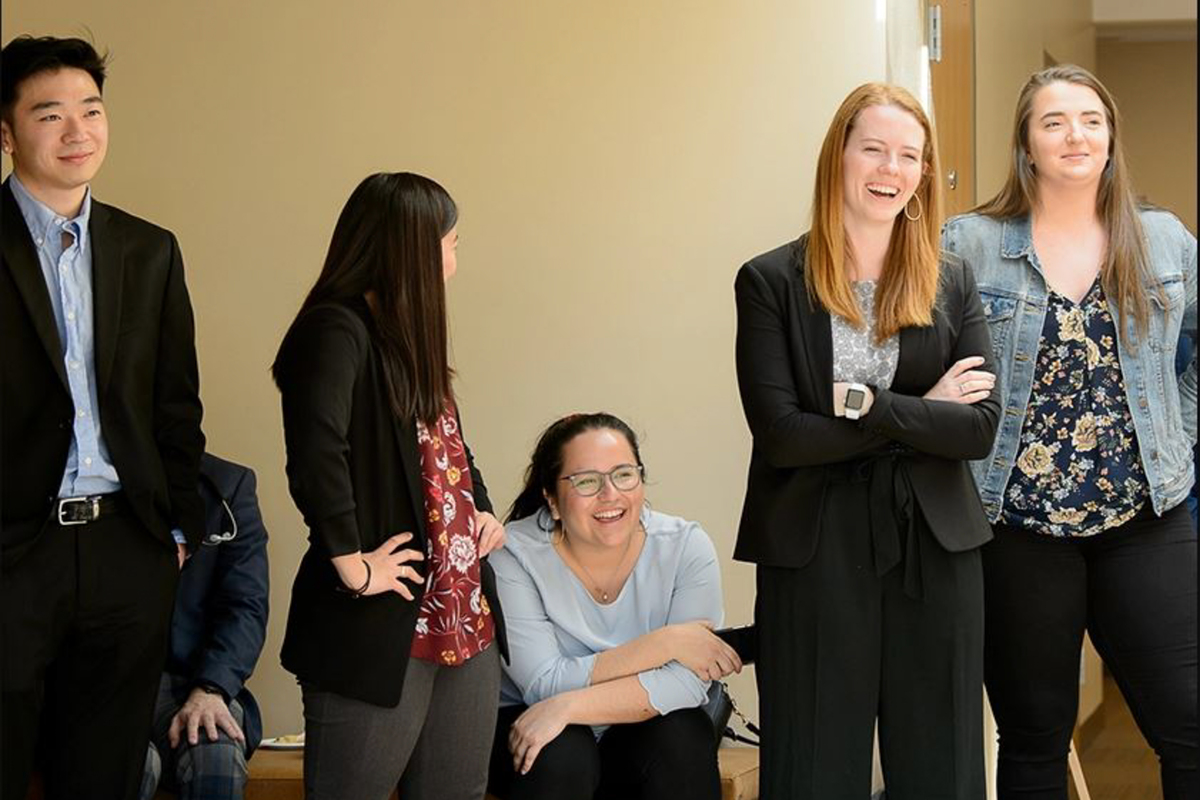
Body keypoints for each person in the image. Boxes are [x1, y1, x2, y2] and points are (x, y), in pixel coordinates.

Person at [733, 83, 1000, 800]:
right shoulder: (769, 282)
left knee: (941, 764)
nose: (891, 168)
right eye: (874, 148)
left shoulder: (953, 281)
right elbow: (784, 436)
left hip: (934, 545)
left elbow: (976, 427)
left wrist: (865, 409)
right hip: (812, 546)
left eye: (909, 155)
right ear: (838, 158)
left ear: (922, 173)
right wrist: (917, 412)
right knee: (814, 765)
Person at [942, 64, 1197, 800]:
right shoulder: (971, 242)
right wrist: (932, 396)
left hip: (1147, 516)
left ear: (1111, 138)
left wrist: (1177, 428)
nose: (1074, 135)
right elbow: (914, 348)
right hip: (1015, 528)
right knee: (1034, 738)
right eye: (1053, 122)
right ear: (1026, 145)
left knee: (1188, 726)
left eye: (1089, 119)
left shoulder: (1163, 239)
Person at [1, 35, 205, 800]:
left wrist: (174, 530)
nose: (77, 130)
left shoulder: (150, 250)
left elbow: (176, 407)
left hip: (127, 544)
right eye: (50, 114)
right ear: (7, 131)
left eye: (91, 109)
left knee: (106, 773)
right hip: (13, 550)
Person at [272, 172, 507, 800]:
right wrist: (349, 563)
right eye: (450, 243)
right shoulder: (334, 329)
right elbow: (318, 453)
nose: (455, 260)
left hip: (463, 615)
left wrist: (481, 512)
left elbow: (449, 447)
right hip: (379, 622)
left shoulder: (409, 337)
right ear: (410, 249)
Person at [487, 412, 738, 800]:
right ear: (551, 499)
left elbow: (687, 683)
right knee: (562, 750)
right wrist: (666, 644)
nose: (610, 495)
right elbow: (542, 683)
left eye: (623, 474)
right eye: (586, 481)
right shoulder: (512, 555)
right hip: (531, 723)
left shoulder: (685, 546)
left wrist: (569, 706)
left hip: (630, 727)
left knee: (682, 735)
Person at [139, 452, 270, 800]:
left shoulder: (229, 485)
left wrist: (211, 689)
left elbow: (246, 606)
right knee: (132, 765)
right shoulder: (93, 486)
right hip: (105, 683)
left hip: (196, 681)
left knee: (216, 755)